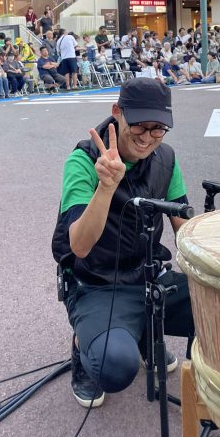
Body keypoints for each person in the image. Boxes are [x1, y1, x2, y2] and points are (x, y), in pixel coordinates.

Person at [51, 79, 195, 406]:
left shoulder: (166, 158)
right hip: (98, 283)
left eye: (158, 129)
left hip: (150, 276)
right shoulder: (83, 160)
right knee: (114, 366)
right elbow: (79, 246)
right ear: (117, 112)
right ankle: (83, 345)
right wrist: (106, 186)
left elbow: (183, 228)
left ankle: (142, 332)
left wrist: (218, 265)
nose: (147, 137)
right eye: (139, 125)